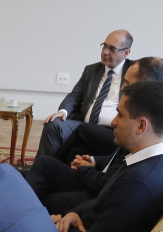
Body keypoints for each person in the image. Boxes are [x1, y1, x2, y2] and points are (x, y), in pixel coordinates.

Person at [26, 57, 163, 214]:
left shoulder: (150, 134)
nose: (122, 88)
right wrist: (93, 161)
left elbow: (111, 185)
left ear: (146, 86)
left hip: (100, 191)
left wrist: (86, 170)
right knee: (51, 161)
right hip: (101, 178)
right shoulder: (155, 125)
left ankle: (25, 214)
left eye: (127, 83)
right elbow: (119, 161)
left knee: (51, 189)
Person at [54, 80, 163, 232]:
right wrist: (73, 214)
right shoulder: (160, 159)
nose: (113, 122)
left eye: (120, 115)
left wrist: (58, 224)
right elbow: (103, 202)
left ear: (141, 126)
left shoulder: (139, 183)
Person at [36, 30, 134, 158]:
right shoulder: (91, 70)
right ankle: (42, 171)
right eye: (104, 46)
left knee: (80, 138)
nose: (105, 52)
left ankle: (48, 166)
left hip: (113, 130)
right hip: (85, 124)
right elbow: (75, 95)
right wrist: (63, 111)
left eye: (112, 49)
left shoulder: (134, 72)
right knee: (54, 124)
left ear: (126, 52)